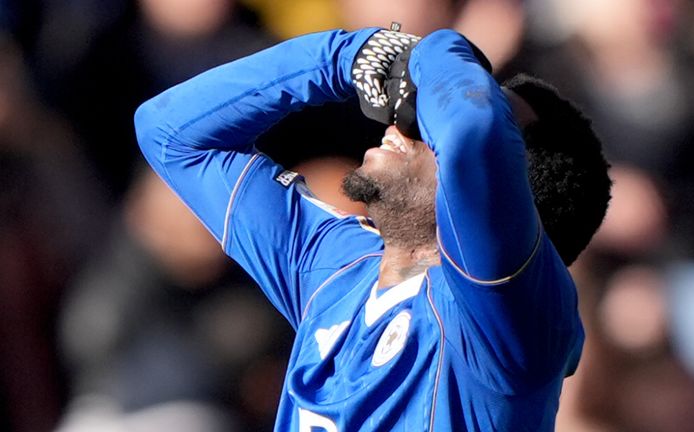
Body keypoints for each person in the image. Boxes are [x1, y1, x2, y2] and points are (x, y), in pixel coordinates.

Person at [134, 27, 610, 431]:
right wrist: (352, 54)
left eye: (430, 117)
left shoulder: (511, 317)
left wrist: (437, 49)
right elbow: (171, 134)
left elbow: (472, 135)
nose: (407, 117)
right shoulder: (334, 267)